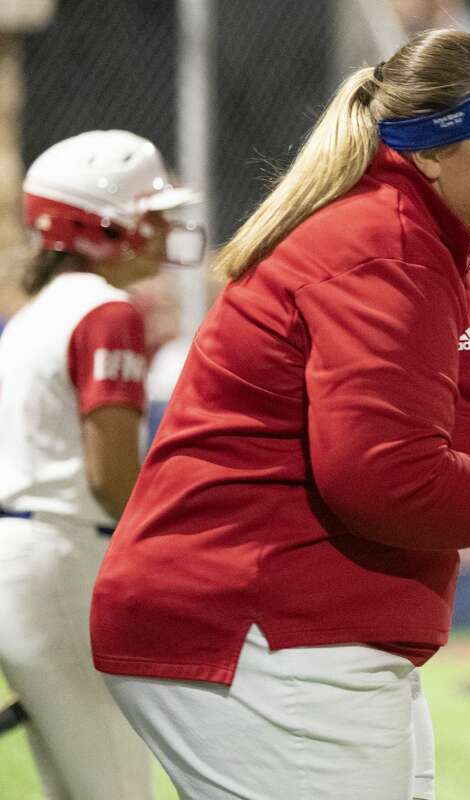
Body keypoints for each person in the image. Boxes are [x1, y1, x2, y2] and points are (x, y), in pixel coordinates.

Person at [89, 29, 470, 800]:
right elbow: (386, 481)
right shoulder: (385, 248)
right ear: (429, 151)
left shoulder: (433, 239)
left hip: (286, 622)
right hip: (255, 625)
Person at [0, 129, 202, 799]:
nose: (165, 226)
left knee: (76, 784)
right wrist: (171, 552)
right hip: (62, 556)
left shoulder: (36, 313)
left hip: (29, 554)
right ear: (105, 222)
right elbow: (110, 474)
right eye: (152, 211)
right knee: (114, 787)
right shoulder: (106, 311)